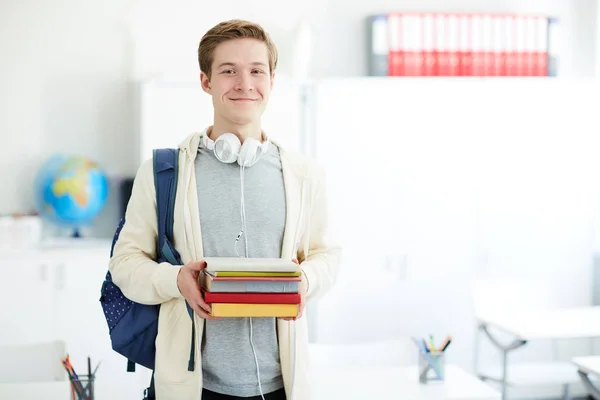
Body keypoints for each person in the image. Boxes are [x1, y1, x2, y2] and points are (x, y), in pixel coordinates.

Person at [109, 19, 341, 400]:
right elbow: (125, 264)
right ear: (206, 82)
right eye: (228, 71)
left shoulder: (304, 175)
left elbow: (327, 254)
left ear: (271, 80)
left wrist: (307, 281)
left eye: (256, 71)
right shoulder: (164, 172)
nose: (244, 83)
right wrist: (175, 280)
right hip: (195, 387)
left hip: (284, 385)